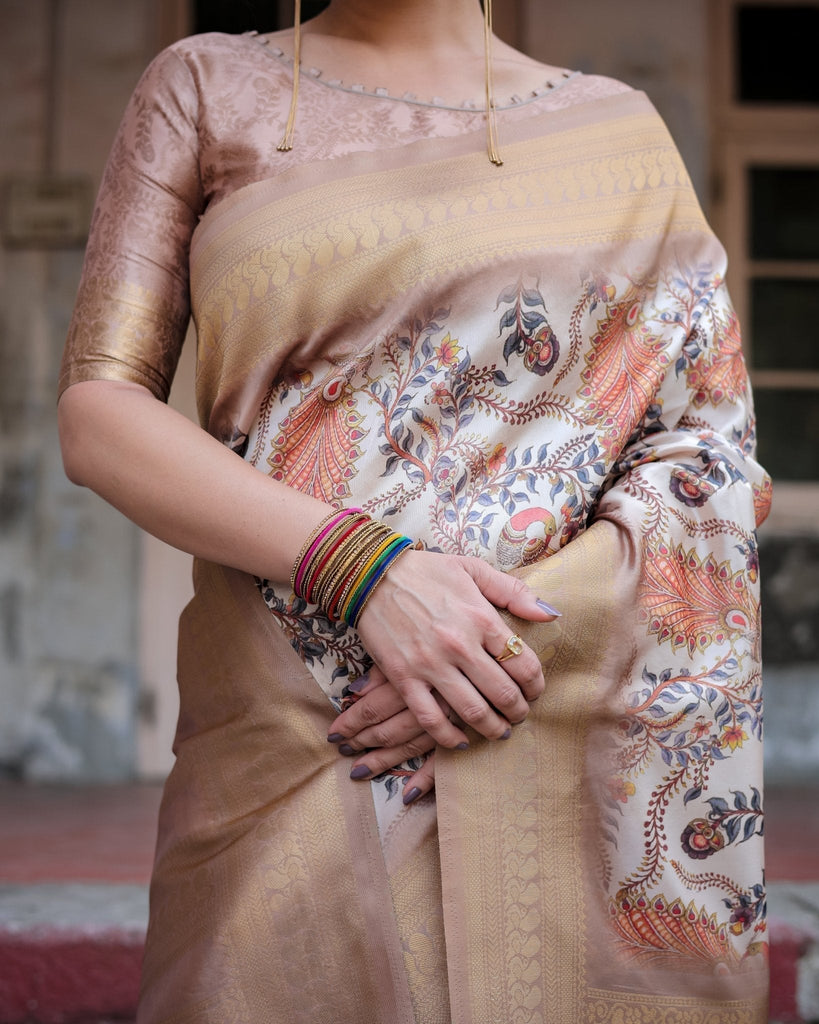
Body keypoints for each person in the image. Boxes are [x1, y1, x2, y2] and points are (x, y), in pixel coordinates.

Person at [57, 1, 772, 1020]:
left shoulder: (617, 128)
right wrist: (370, 573)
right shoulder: (207, 87)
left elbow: (705, 450)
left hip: (537, 707)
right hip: (289, 721)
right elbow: (98, 413)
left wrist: (494, 644)